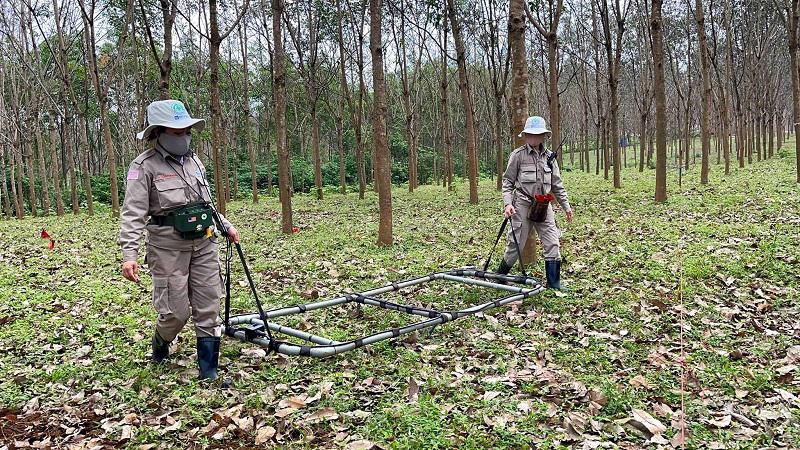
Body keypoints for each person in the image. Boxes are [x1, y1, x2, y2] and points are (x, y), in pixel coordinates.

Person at [119, 100, 240, 381]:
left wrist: (226, 225)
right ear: (159, 133)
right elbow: (133, 213)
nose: (184, 135)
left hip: (204, 243)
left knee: (209, 304)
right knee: (176, 312)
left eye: (187, 130)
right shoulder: (143, 167)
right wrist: (130, 254)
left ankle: (208, 371)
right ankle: (161, 343)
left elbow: (205, 202)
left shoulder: (195, 161)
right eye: (177, 131)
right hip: (167, 247)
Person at [497, 116, 573, 289]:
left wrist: (566, 206)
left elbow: (557, 185)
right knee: (516, 244)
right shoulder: (518, 156)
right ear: (525, 136)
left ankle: (554, 284)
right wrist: (507, 204)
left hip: (544, 206)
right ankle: (500, 275)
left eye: (537, 135)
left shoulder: (550, 158)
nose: (533, 138)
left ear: (543, 137)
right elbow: (507, 182)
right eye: (530, 135)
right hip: (522, 205)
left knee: (552, 242)